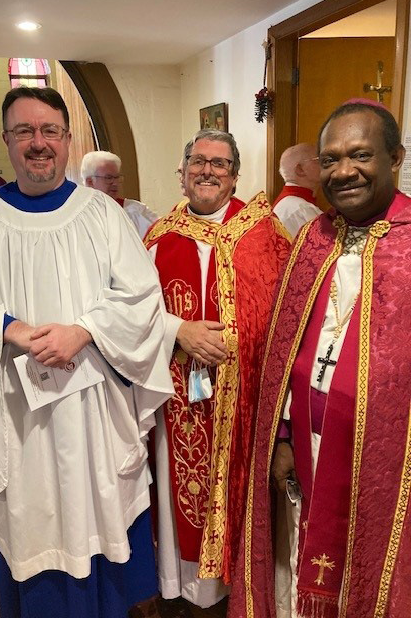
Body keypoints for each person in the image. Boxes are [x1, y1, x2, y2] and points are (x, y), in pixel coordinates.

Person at [0, 86, 175, 618]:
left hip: (92, 409)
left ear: (67, 141)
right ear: (6, 141)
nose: (37, 143)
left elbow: (140, 297)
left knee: (99, 512)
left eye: (49, 131)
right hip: (19, 417)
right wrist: (10, 328)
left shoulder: (102, 214)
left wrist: (83, 330)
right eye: (24, 131)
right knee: (32, 519)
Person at [230, 99, 411, 618]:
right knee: (301, 556)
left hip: (387, 458)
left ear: (394, 157)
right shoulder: (315, 238)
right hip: (306, 443)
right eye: (330, 160)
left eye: (360, 155)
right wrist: (281, 437)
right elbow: (284, 356)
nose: (344, 171)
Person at [144, 129, 290, 609]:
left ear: (235, 176)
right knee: (178, 493)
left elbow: (288, 317)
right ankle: (184, 587)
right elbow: (129, 312)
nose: (208, 170)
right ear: (182, 173)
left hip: (242, 404)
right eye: (199, 162)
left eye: (220, 164)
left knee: (239, 492)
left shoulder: (264, 234)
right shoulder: (157, 239)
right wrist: (177, 331)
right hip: (176, 398)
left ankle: (237, 584)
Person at [81, 150, 158, 238]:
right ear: (90, 182)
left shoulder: (136, 211)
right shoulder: (77, 217)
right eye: (109, 178)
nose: (115, 183)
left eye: (117, 177)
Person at [273, 143, 322, 238]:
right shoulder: (298, 208)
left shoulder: (293, 204)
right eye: (319, 160)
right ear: (300, 169)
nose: (326, 165)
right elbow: (325, 248)